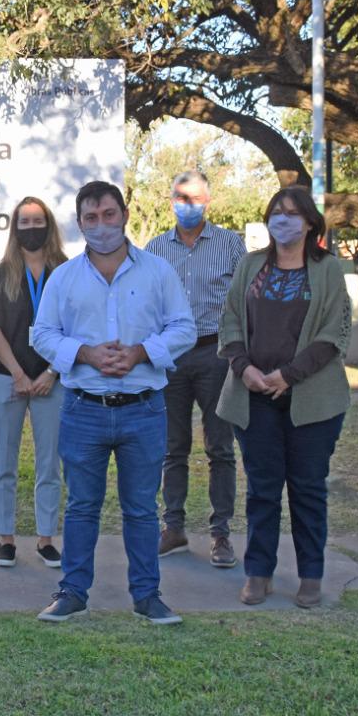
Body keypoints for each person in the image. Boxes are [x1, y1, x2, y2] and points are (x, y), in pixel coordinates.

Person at [31, 181, 195, 625]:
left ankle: (147, 596)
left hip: (143, 408)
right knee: (81, 505)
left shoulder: (158, 271)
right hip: (83, 408)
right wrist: (86, 353)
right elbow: (41, 334)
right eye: (90, 218)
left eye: (108, 214)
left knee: (141, 508)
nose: (101, 225)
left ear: (124, 214)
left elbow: (184, 328)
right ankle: (71, 592)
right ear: (80, 223)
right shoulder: (63, 277)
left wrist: (140, 352)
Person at [217, 186, 350, 609]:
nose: (283, 220)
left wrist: (288, 376)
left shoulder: (328, 269)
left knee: (308, 489)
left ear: (310, 222)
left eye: (293, 213)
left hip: (312, 400)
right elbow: (231, 320)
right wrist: (245, 368)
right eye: (277, 212)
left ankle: (311, 575)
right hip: (253, 396)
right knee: (262, 489)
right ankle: (259, 573)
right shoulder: (251, 264)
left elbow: (335, 333)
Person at [144, 170, 245, 568]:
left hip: (214, 355)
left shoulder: (230, 245)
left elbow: (243, 302)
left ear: (209, 201)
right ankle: (174, 528)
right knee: (172, 448)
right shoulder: (154, 248)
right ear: (170, 199)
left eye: (195, 198)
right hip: (170, 358)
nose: (188, 204)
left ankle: (220, 534)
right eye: (180, 197)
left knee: (220, 447)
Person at [0, 196, 67, 569]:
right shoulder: (2, 273)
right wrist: (18, 374)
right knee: (4, 463)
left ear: (48, 224)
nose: (31, 228)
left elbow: (76, 328)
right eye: (24, 222)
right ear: (14, 228)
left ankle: (46, 539)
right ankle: (6, 539)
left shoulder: (66, 270)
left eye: (38, 221)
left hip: (54, 380)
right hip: (7, 379)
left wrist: (52, 372)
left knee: (50, 464)